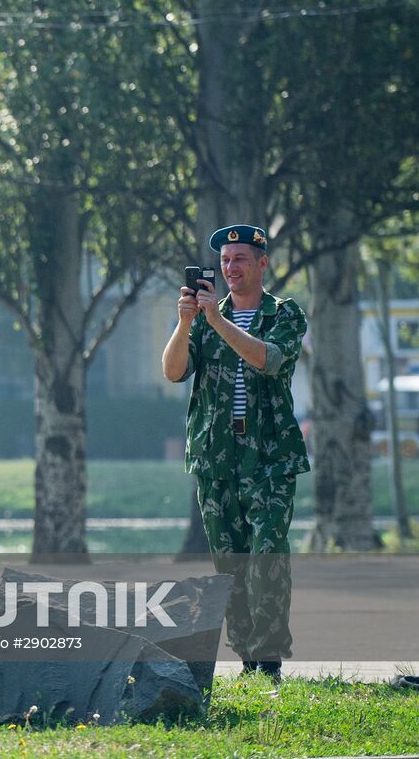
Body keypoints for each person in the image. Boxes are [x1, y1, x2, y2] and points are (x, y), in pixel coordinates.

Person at [161, 224, 310, 681]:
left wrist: (216, 322)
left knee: (267, 554)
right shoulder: (203, 319)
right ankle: (247, 658)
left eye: (240, 259)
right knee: (230, 561)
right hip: (215, 455)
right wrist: (186, 322)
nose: (230, 268)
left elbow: (268, 360)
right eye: (225, 261)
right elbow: (172, 372)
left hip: (268, 456)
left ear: (262, 263)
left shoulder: (284, 314)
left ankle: (269, 660)